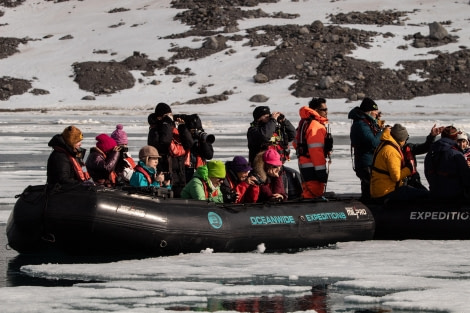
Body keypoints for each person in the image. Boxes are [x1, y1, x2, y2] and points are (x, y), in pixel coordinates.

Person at [370, 124, 429, 202]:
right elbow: (396, 177)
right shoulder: (391, 151)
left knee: (416, 191)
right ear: (401, 139)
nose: (405, 142)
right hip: (386, 192)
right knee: (424, 194)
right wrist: (409, 168)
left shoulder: (384, 144)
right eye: (405, 139)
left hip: (379, 189)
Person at [147, 102, 193, 197]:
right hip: (165, 173)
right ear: (160, 117)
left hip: (180, 174)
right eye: (167, 115)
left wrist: (182, 127)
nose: (170, 117)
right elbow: (165, 141)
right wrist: (166, 122)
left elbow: (189, 144)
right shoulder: (155, 131)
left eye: (170, 115)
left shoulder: (173, 129)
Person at [293, 97, 331, 199]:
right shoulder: (315, 126)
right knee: (314, 193)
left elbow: (295, 142)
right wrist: (321, 171)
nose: (326, 112)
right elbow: (316, 151)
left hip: (305, 164)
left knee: (308, 191)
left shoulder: (305, 122)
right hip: (313, 166)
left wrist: (303, 153)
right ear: (316, 110)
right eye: (324, 110)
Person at [348, 97, 385, 202]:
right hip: (365, 162)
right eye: (375, 111)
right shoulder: (360, 124)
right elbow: (373, 142)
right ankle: (369, 206)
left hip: (370, 161)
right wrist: (383, 132)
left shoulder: (367, 122)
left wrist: (378, 123)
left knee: (371, 188)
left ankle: (370, 204)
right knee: (369, 188)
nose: (376, 114)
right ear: (368, 111)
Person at [424, 126, 470, 200]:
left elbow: (427, 173)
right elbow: (466, 177)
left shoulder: (431, 152)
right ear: (455, 138)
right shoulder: (456, 154)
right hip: (455, 195)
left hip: (435, 192)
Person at [402, 124, 444, 190]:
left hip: (413, 180)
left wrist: (432, 136)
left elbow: (426, 147)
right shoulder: (390, 151)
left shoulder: (409, 148)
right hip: (400, 183)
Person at [177, 113, 214, 182]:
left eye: (198, 130)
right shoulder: (182, 136)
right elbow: (188, 144)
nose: (196, 132)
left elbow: (209, 155)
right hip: (186, 171)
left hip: (200, 171)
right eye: (193, 130)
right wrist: (184, 130)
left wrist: (203, 142)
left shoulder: (203, 137)